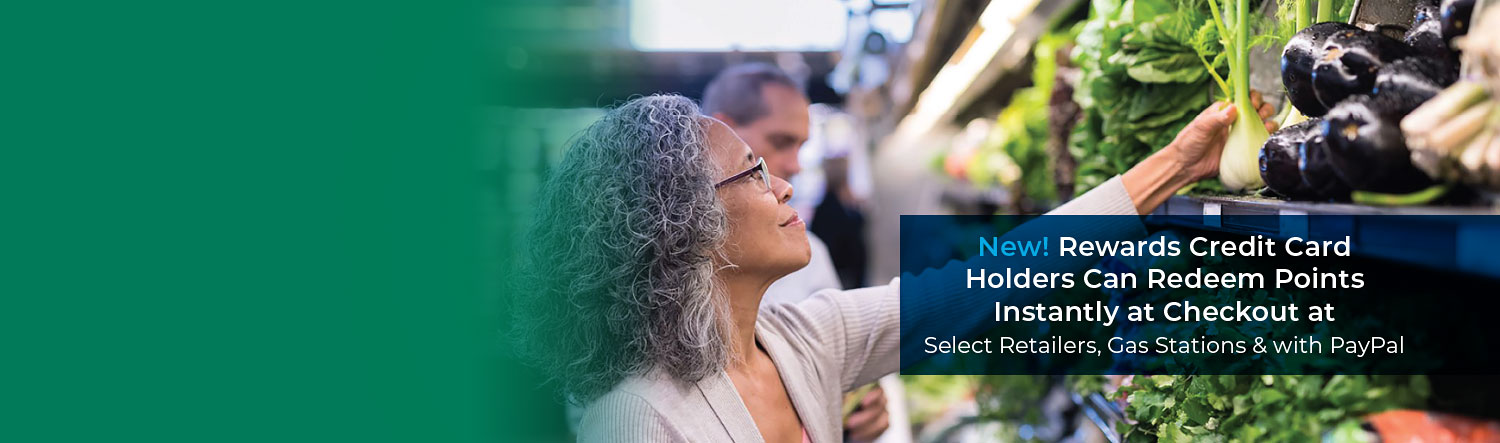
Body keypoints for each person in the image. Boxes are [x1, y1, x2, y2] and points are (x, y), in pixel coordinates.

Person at [513, 93, 1275, 442]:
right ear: (684, 224)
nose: (783, 183)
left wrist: (1174, 166)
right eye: (752, 171)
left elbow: (989, 282)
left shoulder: (797, 341)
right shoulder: (637, 415)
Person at [701, 63, 895, 442]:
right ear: (721, 132)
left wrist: (864, 398)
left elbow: (850, 354)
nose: (794, 168)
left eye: (802, 145)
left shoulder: (810, 254)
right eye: (781, 142)